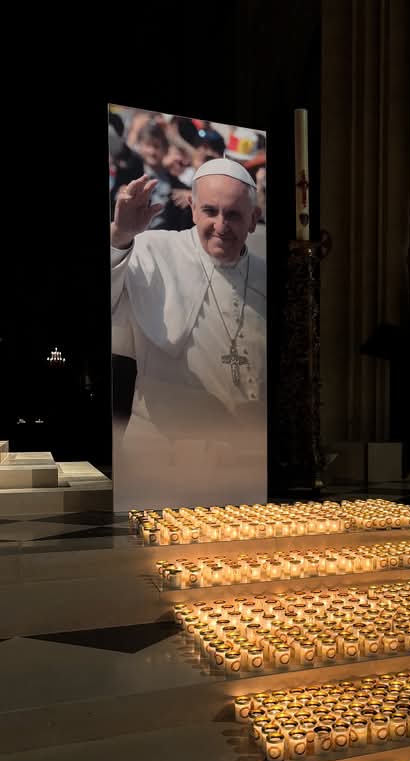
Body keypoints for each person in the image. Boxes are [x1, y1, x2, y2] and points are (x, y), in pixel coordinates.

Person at [110, 157, 266, 510]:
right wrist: (120, 236)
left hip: (240, 462)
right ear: (193, 209)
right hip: (160, 458)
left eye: (234, 215)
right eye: (210, 211)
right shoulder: (152, 249)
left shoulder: (265, 271)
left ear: (254, 219)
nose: (220, 225)